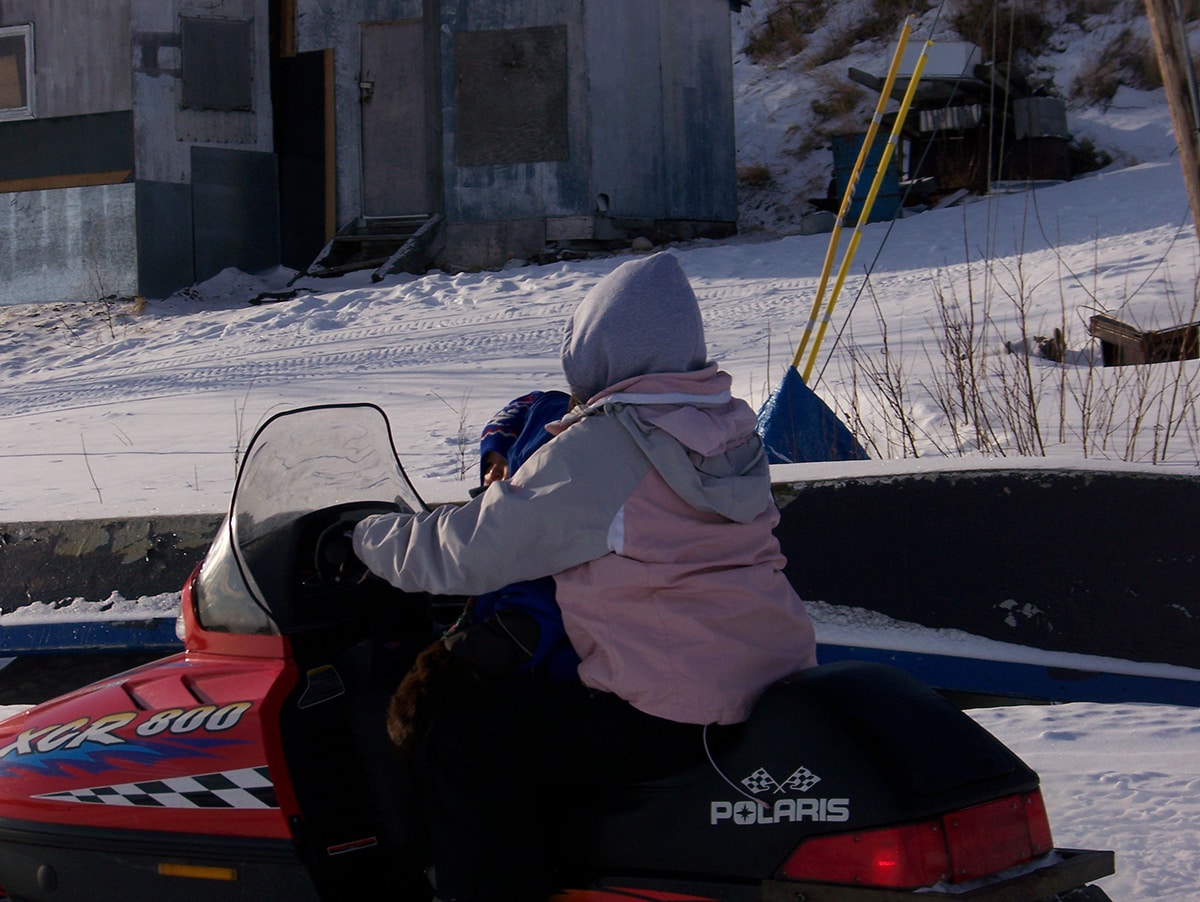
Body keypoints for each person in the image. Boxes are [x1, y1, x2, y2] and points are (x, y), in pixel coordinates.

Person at [353, 251, 817, 901]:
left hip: (671, 706)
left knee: (463, 743)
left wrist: (363, 537)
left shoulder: (605, 448)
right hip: (766, 676)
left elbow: (470, 551)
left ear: (597, 349)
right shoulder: (727, 429)